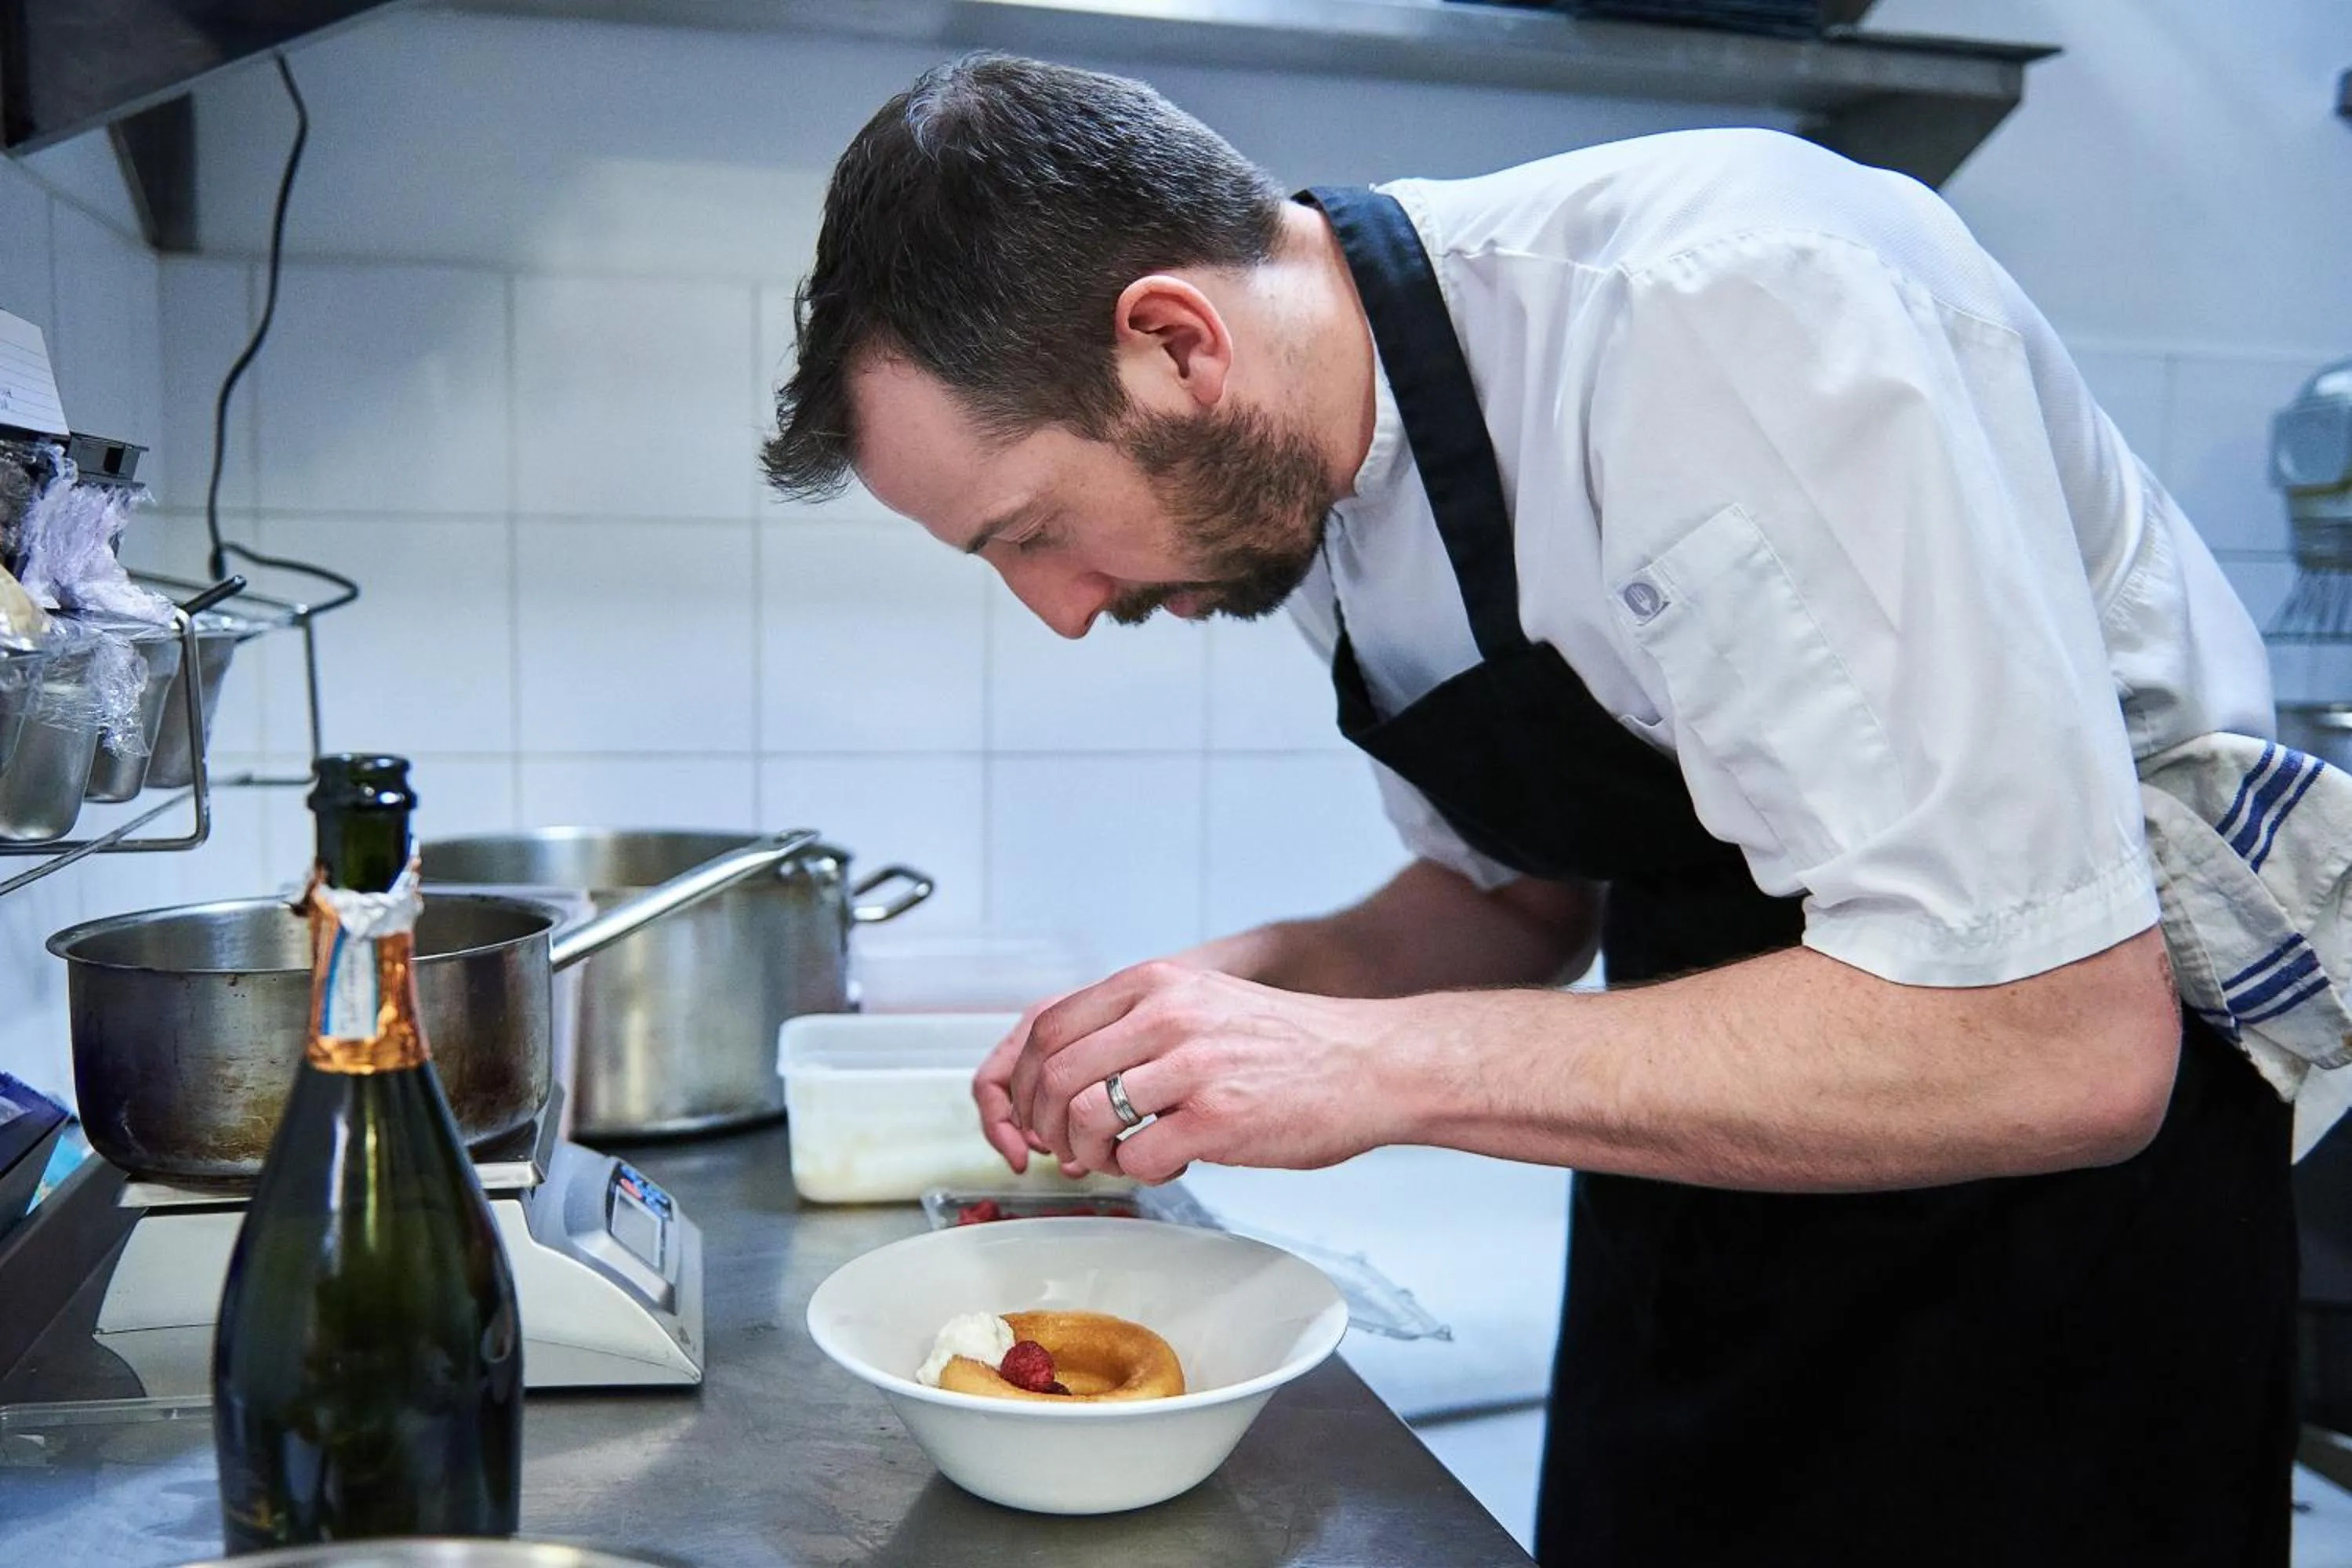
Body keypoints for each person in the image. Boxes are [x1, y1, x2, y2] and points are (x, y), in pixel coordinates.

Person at [763, 53, 2296, 1566]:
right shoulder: (1315, 479)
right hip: (1702, 1220)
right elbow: (1519, 905)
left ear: (1177, 342)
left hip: (2042, 1274)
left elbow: (2063, 1037)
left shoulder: (1737, 306)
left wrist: (1368, 1064)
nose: (1061, 613)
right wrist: (1216, 1002)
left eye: (1031, 532)